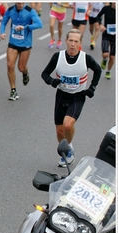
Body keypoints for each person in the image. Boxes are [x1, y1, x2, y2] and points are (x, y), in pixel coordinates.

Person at [41, 29, 101, 167]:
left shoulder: (86, 58)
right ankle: (68, 149)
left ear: (80, 43)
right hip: (61, 96)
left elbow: (98, 70)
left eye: (76, 41)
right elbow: (44, 74)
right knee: (59, 130)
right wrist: (52, 81)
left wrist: (92, 87)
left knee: (68, 124)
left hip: (77, 97)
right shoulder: (58, 56)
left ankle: (68, 149)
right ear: (66, 41)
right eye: (71, 41)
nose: (73, 44)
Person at [0, 3, 43, 101]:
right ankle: (13, 90)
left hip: (25, 44)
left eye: (22, 3)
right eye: (19, 3)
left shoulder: (29, 10)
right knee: (10, 65)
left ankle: (25, 71)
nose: (21, 5)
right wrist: (2, 32)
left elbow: (39, 24)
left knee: (21, 67)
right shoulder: (10, 10)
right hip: (13, 42)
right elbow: (3, 22)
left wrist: (26, 27)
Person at [96, 2, 115, 80]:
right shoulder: (106, 8)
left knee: (112, 57)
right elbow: (98, 16)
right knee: (105, 54)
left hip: (115, 37)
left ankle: (108, 71)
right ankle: (104, 60)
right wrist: (100, 25)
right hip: (106, 34)